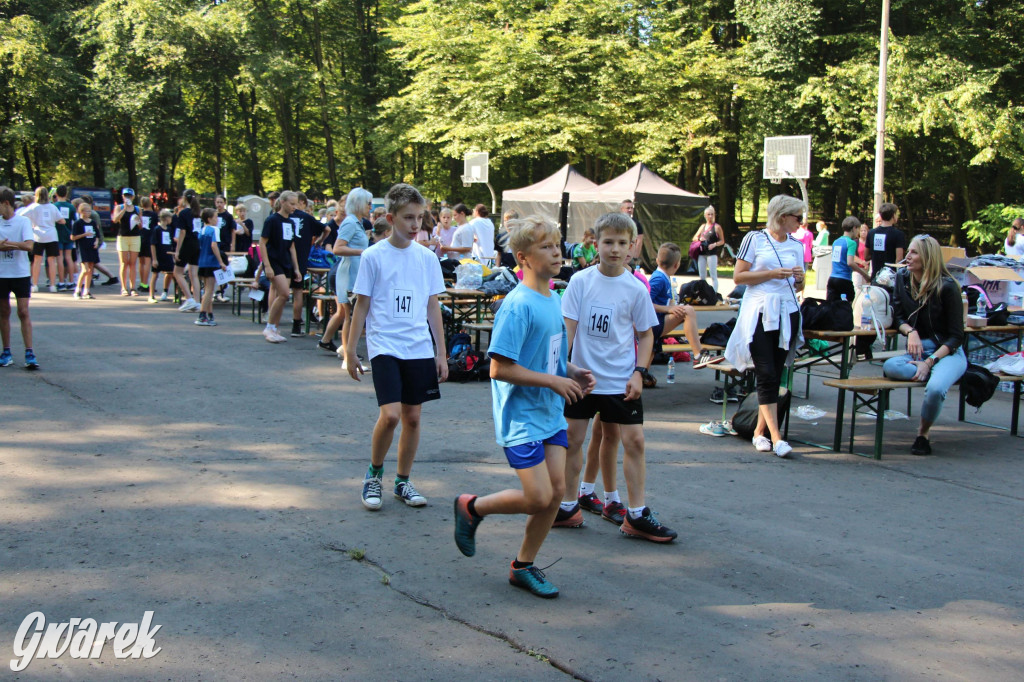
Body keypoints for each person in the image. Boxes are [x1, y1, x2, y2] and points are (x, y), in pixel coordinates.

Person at [453, 215, 596, 598]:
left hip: (548, 412)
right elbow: (499, 367)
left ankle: (523, 566)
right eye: (546, 247)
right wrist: (554, 380)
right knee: (537, 496)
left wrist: (571, 370)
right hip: (520, 417)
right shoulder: (518, 305)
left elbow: (544, 357)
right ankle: (472, 508)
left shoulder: (554, 297)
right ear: (524, 258)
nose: (556, 253)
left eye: (556, 245)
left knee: (556, 491)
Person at [556, 212, 677, 542]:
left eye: (622, 243)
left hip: (621, 382)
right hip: (583, 380)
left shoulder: (636, 289)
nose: (614, 249)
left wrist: (639, 373)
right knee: (573, 440)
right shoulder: (580, 282)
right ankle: (567, 506)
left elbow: (647, 335)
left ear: (632, 246)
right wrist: (564, 368)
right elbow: (568, 329)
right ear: (596, 243)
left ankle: (635, 514)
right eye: (608, 242)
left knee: (634, 442)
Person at [344, 183, 448, 512]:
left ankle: (403, 481)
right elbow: (360, 306)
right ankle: (374, 474)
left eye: (420, 218)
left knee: (413, 418)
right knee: (390, 416)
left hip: (417, 346)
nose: (416, 225)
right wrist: (349, 350)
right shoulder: (373, 256)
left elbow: (433, 307)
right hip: (384, 344)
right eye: (408, 218)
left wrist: (441, 352)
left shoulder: (427, 258)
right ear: (391, 218)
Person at [725, 194, 806, 458]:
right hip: (760, 311)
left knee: (775, 372)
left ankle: (759, 432)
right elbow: (739, 277)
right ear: (783, 216)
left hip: (787, 311)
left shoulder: (795, 245)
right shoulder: (755, 239)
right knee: (766, 372)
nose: (801, 223)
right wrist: (771, 274)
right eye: (798, 217)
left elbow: (799, 285)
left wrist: (800, 279)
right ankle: (777, 437)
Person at [882, 235, 967, 456]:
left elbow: (957, 336)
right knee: (891, 366)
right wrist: (911, 332)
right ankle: (937, 373)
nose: (907, 257)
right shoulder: (902, 278)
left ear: (928, 257)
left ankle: (923, 433)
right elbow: (898, 317)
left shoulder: (948, 287)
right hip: (920, 351)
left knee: (936, 389)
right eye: (908, 251)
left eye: (914, 252)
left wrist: (929, 363)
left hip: (947, 351)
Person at [646, 242, 725, 374]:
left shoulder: (663, 277)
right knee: (688, 311)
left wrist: (673, 306)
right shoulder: (658, 279)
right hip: (652, 324)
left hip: (657, 322)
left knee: (647, 362)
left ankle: (642, 377)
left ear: (657, 260)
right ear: (677, 265)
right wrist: (668, 310)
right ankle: (698, 355)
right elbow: (645, 303)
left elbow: (667, 302)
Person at [318, 188, 371, 365]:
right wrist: (362, 251)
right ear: (359, 204)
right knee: (349, 316)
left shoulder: (357, 222)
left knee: (350, 315)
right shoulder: (350, 222)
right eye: (368, 203)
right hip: (348, 275)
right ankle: (349, 357)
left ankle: (346, 351)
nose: (370, 207)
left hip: (354, 274)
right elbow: (337, 248)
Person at [0, 186, 39, 369]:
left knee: (23, 311)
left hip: (20, 273)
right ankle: (6, 351)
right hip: (2, 274)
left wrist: (10, 245)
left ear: (5, 203)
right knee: (3, 312)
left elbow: (30, 246)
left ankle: (29, 352)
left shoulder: (23, 221)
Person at [258, 191, 302, 343]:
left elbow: (291, 247)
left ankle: (275, 328)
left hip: (285, 262)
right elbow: (262, 243)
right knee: (283, 293)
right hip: (274, 261)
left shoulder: (290, 222)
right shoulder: (272, 220)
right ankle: (269, 326)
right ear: (282, 202)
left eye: (295, 204)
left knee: (282, 297)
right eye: (291, 204)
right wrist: (267, 265)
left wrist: (296, 268)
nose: (294, 207)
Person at [23, 186, 65, 293]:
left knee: (37, 261)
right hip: (51, 235)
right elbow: (62, 221)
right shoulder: (52, 207)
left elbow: (22, 215)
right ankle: (52, 285)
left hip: (38, 235)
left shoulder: (33, 207)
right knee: (51, 260)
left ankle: (35, 285)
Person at [194, 208, 230, 327]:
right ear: (209, 219)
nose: (217, 219)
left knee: (207, 290)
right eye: (215, 217)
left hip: (202, 262)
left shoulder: (202, 230)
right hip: (211, 262)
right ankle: (202, 315)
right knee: (210, 290)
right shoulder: (215, 229)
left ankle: (209, 314)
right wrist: (221, 262)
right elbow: (214, 245)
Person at [826, 216, 871, 303]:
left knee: (832, 307)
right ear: (854, 228)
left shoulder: (836, 241)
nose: (858, 232)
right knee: (846, 307)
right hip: (844, 279)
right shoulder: (851, 243)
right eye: (858, 229)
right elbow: (850, 262)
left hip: (832, 279)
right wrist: (865, 275)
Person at [173, 190, 202, 312]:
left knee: (177, 272)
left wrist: (177, 250)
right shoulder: (198, 213)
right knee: (194, 274)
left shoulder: (184, 213)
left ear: (185, 199)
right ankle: (197, 301)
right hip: (197, 243)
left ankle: (189, 299)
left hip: (187, 243)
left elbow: (182, 232)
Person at [111, 187, 142, 296]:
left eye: (129, 196)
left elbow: (141, 225)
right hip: (123, 237)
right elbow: (115, 220)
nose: (127, 197)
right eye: (125, 195)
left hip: (135, 237)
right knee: (124, 263)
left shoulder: (137, 209)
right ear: (123, 196)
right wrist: (124, 208)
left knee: (133, 263)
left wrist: (138, 221)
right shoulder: (119, 207)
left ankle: (133, 288)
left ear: (133, 197)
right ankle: (124, 288)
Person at [70, 201, 102, 300]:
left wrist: (96, 242)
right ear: (81, 211)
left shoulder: (92, 222)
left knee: (91, 269)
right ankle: (78, 289)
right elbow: (73, 237)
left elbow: (97, 235)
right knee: (85, 270)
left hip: (92, 247)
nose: (88, 213)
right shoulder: (78, 223)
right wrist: (84, 235)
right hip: (83, 248)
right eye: (86, 211)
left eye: (89, 211)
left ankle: (86, 290)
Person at [866, 202, 905, 279]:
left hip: (876, 277)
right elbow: (899, 259)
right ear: (893, 215)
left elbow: (866, 256)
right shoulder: (898, 234)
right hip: (891, 278)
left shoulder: (871, 233)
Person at [691, 205, 725, 292]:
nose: (710, 216)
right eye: (708, 214)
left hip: (712, 254)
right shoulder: (703, 226)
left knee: (713, 275)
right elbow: (694, 237)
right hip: (702, 253)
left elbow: (722, 241)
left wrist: (715, 244)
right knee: (702, 276)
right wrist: (699, 239)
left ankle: (714, 293)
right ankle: (703, 292)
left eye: (712, 214)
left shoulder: (717, 227)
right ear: (705, 215)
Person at [148, 209, 179, 302]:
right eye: (170, 217)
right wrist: (154, 259)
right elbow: (153, 244)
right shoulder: (157, 229)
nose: (171, 220)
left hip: (168, 255)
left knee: (173, 274)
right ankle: (151, 296)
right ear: (166, 218)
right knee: (155, 275)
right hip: (159, 255)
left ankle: (177, 295)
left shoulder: (169, 229)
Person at [53, 185, 77, 291]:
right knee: (69, 257)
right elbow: (74, 220)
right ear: (66, 194)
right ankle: (71, 281)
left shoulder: (54, 206)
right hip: (68, 233)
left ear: (56, 194)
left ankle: (61, 282)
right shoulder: (71, 206)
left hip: (57, 234)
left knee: (60, 258)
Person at [138, 196, 158, 295]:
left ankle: (142, 283)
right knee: (147, 262)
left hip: (140, 238)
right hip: (149, 239)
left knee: (141, 262)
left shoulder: (139, 214)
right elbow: (155, 227)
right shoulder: (153, 215)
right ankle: (145, 284)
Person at [619, 199, 644, 265]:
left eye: (631, 208)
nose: (630, 210)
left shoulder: (636, 223)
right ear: (622, 209)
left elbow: (639, 240)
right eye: (628, 208)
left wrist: (635, 256)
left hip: (630, 257)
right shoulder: (616, 222)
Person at [852, 222, 870, 288]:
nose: (863, 232)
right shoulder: (855, 242)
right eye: (861, 231)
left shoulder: (870, 243)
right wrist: (862, 262)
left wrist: (867, 263)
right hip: (857, 269)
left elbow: (872, 255)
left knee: (866, 288)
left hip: (867, 269)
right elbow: (853, 256)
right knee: (857, 287)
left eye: (865, 231)